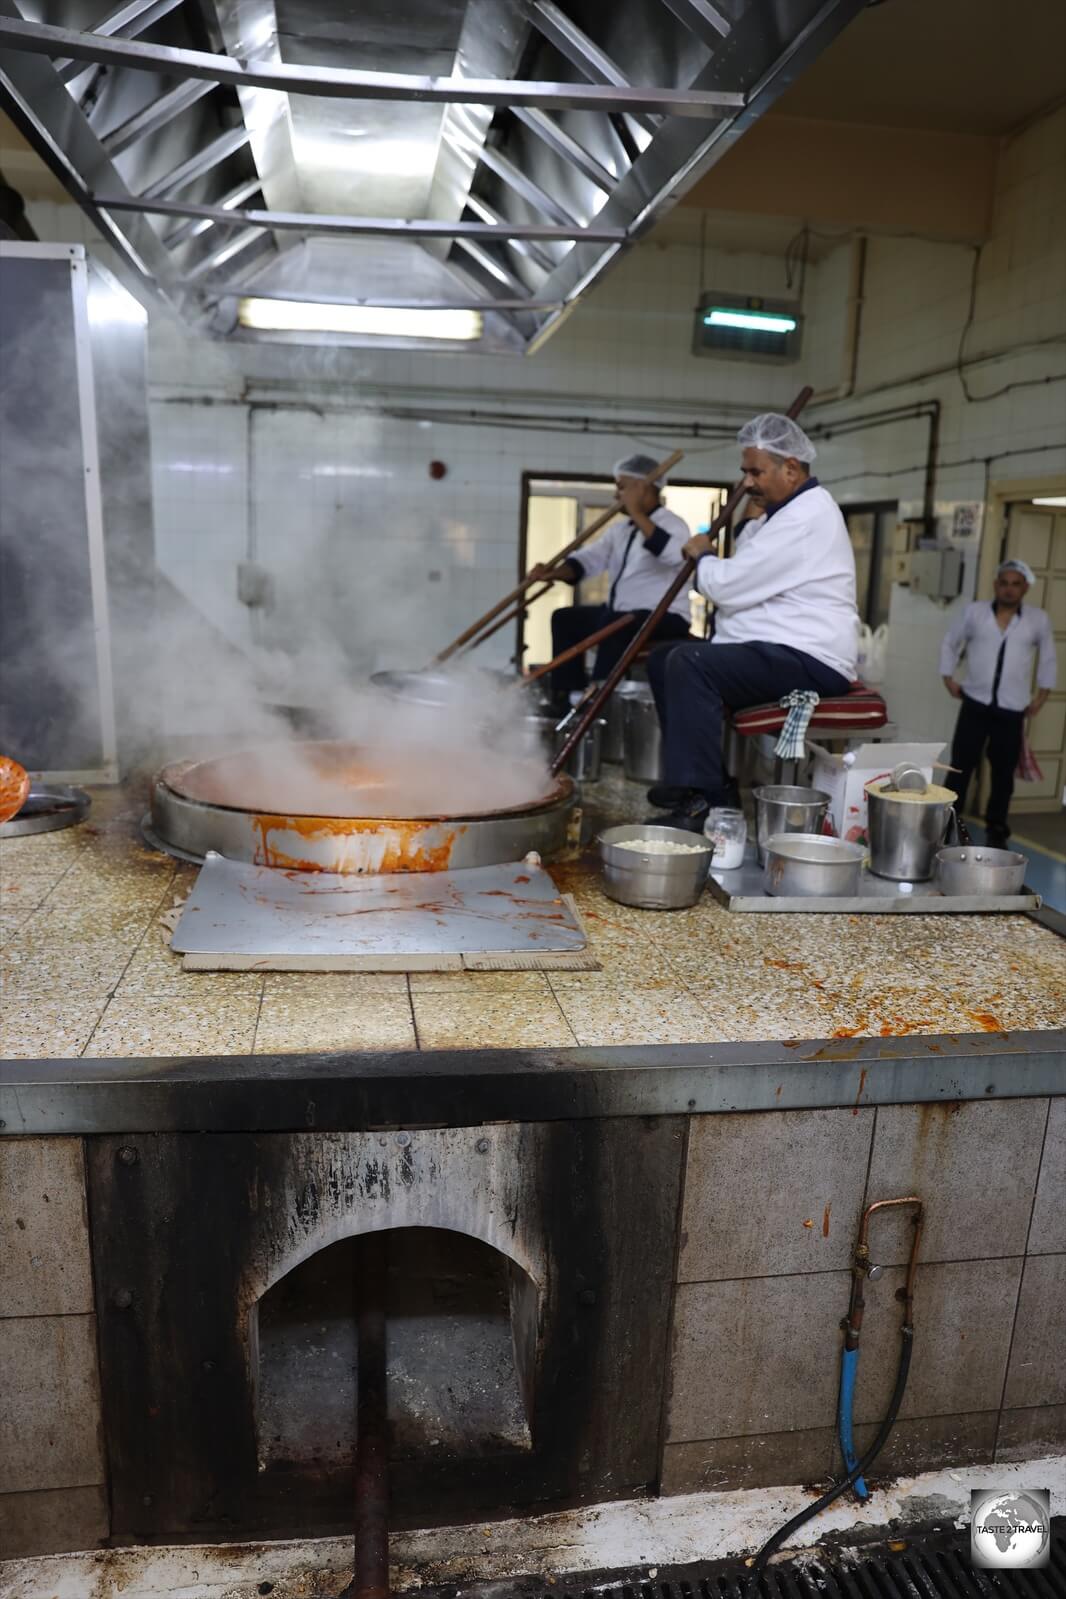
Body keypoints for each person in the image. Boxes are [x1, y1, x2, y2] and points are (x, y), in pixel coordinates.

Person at [646, 413, 858, 830]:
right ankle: (702, 784)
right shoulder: (785, 512)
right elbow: (749, 551)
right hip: (778, 646)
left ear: (791, 469)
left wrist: (702, 555)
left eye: (755, 472)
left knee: (689, 663)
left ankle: (705, 801)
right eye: (744, 471)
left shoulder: (805, 518)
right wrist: (750, 503)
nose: (746, 482)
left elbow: (728, 585)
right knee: (663, 657)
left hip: (811, 658)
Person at [536, 454, 692, 709]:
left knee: (616, 624)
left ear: (642, 487)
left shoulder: (674, 525)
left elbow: (672, 555)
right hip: (623, 615)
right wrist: (553, 572)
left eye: (622, 487)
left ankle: (599, 697)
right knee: (565, 619)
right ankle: (567, 697)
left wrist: (637, 512)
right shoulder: (621, 530)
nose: (616, 495)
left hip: (665, 617)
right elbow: (589, 560)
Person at [940, 558, 1057, 848]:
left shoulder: (1037, 620)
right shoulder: (975, 613)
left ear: (1025, 588)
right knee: (960, 766)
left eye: (1015, 584)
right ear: (996, 585)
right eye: (1004, 583)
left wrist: (1042, 695)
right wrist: (948, 677)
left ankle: (997, 830)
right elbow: (950, 642)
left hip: (1011, 708)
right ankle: (948, 825)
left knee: (1003, 773)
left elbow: (1049, 656)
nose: (1009, 589)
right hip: (975, 702)